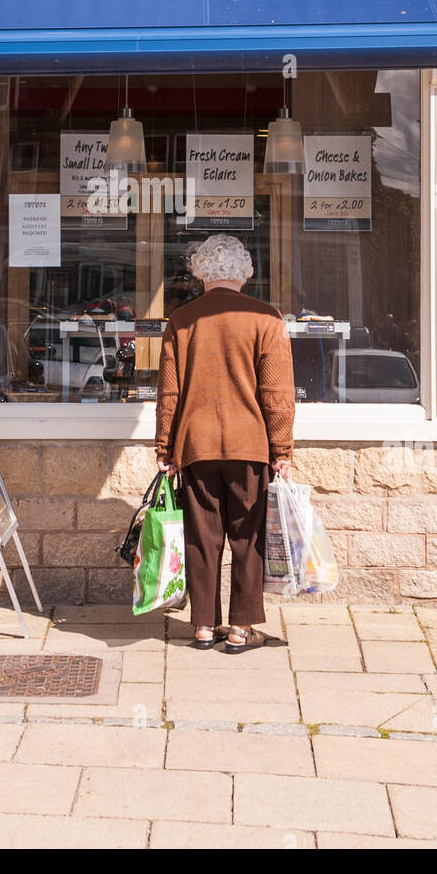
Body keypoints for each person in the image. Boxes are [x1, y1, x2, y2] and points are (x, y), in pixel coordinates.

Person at [154, 234, 295, 654]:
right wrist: (282, 450)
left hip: (196, 444)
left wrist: (165, 448)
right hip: (249, 444)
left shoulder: (182, 320)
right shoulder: (266, 319)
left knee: (202, 536)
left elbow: (169, 394)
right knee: (247, 537)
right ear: (244, 273)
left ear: (201, 273)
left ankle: (202, 625)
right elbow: (277, 394)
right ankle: (239, 627)